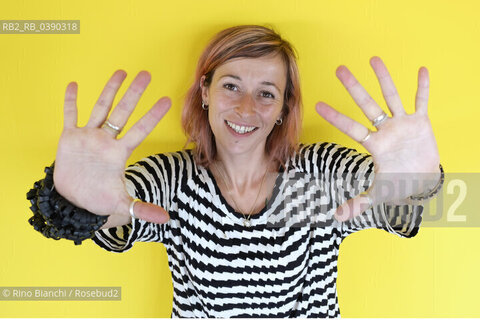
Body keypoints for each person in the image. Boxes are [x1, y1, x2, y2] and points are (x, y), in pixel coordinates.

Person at [30, 25, 443, 317]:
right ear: (205, 91)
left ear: (283, 108)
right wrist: (82, 203)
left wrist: (417, 181)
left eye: (267, 93)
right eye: (231, 85)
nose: (247, 108)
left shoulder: (319, 172)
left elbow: (418, 206)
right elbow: (115, 211)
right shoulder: (174, 178)